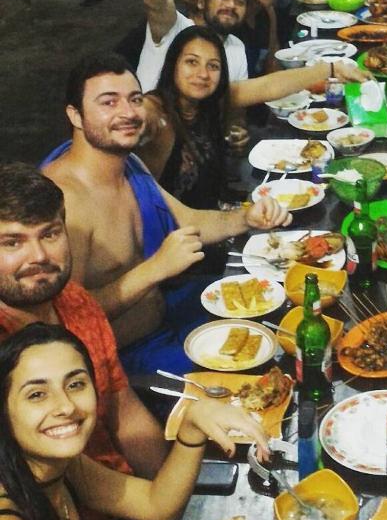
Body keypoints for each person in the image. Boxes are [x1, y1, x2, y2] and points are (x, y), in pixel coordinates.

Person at [40, 53, 292, 374]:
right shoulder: (63, 202)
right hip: (124, 360)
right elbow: (63, 319)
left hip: (167, 311)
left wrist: (245, 218)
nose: (128, 113)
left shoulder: (128, 163)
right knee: (263, 366)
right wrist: (156, 269)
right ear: (75, 116)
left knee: (278, 304)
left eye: (134, 99)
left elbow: (188, 221)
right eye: (109, 102)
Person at [0, 322, 269, 520]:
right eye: (37, 394)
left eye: (75, 384)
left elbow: (156, 507)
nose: (66, 406)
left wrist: (192, 425)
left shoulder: (60, 465)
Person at [0, 163, 166, 484]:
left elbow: (124, 413)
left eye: (49, 234)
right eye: (12, 243)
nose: (39, 256)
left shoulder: (76, 301)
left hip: (125, 492)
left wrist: (168, 491)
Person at [136, 25, 369, 207]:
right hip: (175, 240)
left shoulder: (209, 100)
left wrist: (331, 69)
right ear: (173, 64)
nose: (203, 74)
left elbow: (267, 86)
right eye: (191, 62)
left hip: (214, 218)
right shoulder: (155, 111)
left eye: (213, 66)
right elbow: (137, 115)